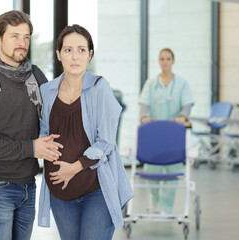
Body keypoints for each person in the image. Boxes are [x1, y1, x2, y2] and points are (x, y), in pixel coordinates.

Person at [0, 10, 63, 240]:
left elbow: (53, 116)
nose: (22, 43)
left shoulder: (36, 75)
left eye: (26, 37)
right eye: (15, 36)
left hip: (28, 184)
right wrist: (32, 148)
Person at [37, 24, 133, 240]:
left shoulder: (100, 88)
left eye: (81, 50)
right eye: (68, 50)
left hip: (96, 189)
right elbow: (43, 133)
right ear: (59, 54)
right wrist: (45, 147)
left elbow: (106, 141)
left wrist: (75, 167)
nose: (75, 56)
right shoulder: (46, 91)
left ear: (90, 54)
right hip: (60, 192)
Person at [138, 48, 194, 214]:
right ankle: (155, 201)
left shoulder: (182, 83)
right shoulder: (151, 83)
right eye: (162, 59)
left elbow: (187, 105)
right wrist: (144, 118)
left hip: (173, 135)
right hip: (155, 134)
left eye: (168, 59)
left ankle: (166, 207)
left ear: (173, 61)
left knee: (173, 171)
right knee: (151, 170)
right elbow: (144, 104)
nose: (165, 62)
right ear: (159, 61)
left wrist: (183, 117)